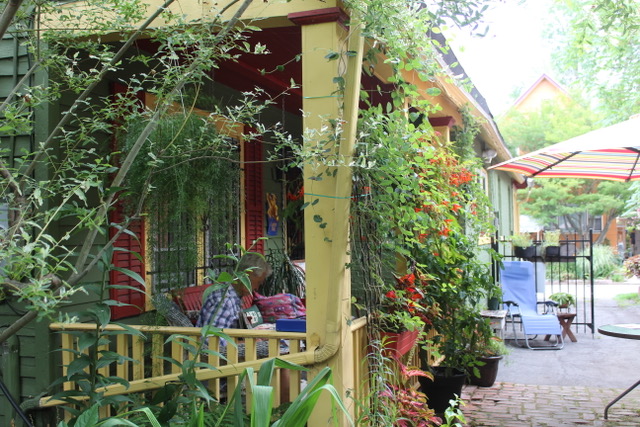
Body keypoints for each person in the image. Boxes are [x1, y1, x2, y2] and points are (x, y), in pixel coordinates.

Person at [196, 252, 272, 328]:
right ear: (247, 275)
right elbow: (212, 338)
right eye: (258, 283)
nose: (257, 288)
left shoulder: (233, 295)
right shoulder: (224, 300)